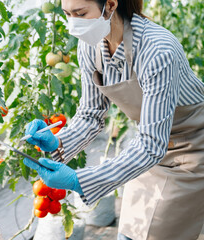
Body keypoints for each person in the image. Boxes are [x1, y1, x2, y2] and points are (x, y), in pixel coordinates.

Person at [23, 0, 204, 239]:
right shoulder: (90, 48)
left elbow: (152, 145)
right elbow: (91, 114)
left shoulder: (157, 50)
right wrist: (58, 142)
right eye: (67, 15)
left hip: (195, 151)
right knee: (129, 232)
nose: (73, 25)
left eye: (81, 13)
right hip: (149, 152)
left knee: (153, 233)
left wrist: (80, 180)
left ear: (110, 5)